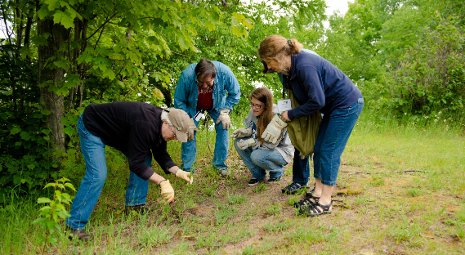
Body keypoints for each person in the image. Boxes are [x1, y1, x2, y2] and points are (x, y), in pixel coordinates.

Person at [258, 35, 364, 216]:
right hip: (332, 107)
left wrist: (289, 115)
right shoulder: (290, 69)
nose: (269, 68)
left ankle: (326, 202)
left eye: (269, 62)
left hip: (347, 105)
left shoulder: (305, 65)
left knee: (329, 151)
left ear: (279, 56)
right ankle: (317, 193)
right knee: (319, 148)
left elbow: (317, 101)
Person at [66, 102, 196, 240]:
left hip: (117, 134)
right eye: (174, 135)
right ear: (167, 123)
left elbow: (160, 153)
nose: (174, 138)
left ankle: (135, 205)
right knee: (97, 175)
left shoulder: (160, 124)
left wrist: (178, 171)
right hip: (93, 126)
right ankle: (74, 226)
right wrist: (162, 182)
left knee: (145, 155)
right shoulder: (146, 124)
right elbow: (136, 164)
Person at [174, 58, 240, 176]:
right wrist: (187, 119)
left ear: (214, 77)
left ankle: (220, 166)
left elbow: (235, 93)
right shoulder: (187, 76)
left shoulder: (225, 73)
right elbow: (179, 100)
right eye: (201, 82)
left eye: (208, 83)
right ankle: (188, 169)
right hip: (194, 107)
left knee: (223, 127)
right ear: (196, 75)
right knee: (189, 131)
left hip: (218, 105)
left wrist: (226, 111)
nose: (204, 86)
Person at [232, 87, 294, 186]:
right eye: (252, 104)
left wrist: (252, 142)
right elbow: (254, 130)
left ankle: (277, 171)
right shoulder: (253, 111)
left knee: (256, 155)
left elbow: (270, 145)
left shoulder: (277, 115)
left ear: (266, 105)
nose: (254, 108)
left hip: (281, 150)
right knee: (238, 142)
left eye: (258, 105)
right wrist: (245, 132)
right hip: (262, 145)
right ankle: (258, 174)